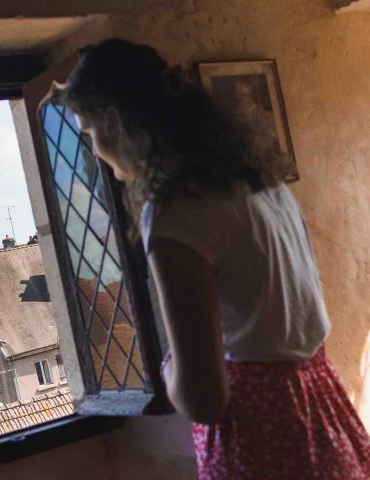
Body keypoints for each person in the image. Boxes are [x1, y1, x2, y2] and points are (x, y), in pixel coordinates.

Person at [58, 38, 370, 479]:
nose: (92, 151)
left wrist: (168, 373)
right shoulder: (257, 179)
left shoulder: (175, 209)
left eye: (89, 132)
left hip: (261, 438)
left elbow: (203, 398)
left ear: (114, 118)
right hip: (320, 403)